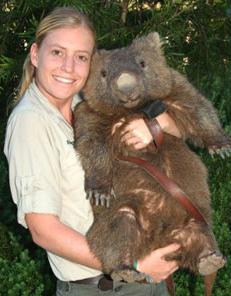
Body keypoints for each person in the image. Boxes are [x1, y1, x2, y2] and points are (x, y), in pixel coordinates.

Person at [4, 7, 181, 296]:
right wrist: (134, 264)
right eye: (57, 52)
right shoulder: (31, 122)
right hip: (103, 287)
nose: (68, 67)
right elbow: (43, 230)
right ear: (36, 55)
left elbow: (177, 127)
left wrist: (154, 125)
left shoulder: (85, 105)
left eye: (81, 57)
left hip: (142, 277)